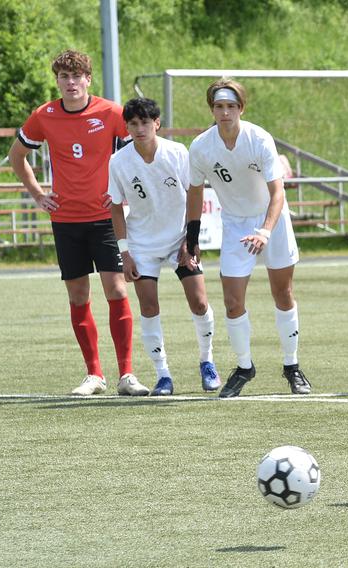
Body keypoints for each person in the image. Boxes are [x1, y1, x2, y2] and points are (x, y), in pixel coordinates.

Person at [8, 50, 139, 396]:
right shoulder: (44, 115)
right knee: (78, 295)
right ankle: (94, 375)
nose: (70, 82)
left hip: (105, 218)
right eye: (64, 76)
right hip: (65, 219)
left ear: (87, 80)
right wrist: (38, 194)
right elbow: (16, 155)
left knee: (117, 289)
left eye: (76, 76)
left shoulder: (111, 112)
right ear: (57, 81)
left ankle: (127, 374)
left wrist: (126, 193)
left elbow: (135, 153)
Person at [186, 78, 312, 398]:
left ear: (241, 108)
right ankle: (244, 367)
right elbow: (195, 191)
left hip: (273, 220)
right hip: (236, 224)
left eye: (230, 106)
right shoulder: (201, 147)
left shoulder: (259, 138)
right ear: (211, 109)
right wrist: (192, 237)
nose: (224, 112)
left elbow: (277, 193)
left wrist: (266, 230)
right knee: (232, 301)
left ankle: (292, 366)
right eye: (218, 106)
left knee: (282, 293)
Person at [108, 97, 220, 396]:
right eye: (133, 124)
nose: (140, 128)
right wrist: (125, 252)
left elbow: (194, 194)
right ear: (127, 128)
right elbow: (116, 207)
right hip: (142, 244)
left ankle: (207, 361)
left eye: (145, 122)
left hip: (179, 240)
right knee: (148, 305)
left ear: (157, 123)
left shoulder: (177, 153)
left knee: (198, 301)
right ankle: (163, 375)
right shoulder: (119, 161)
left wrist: (190, 239)